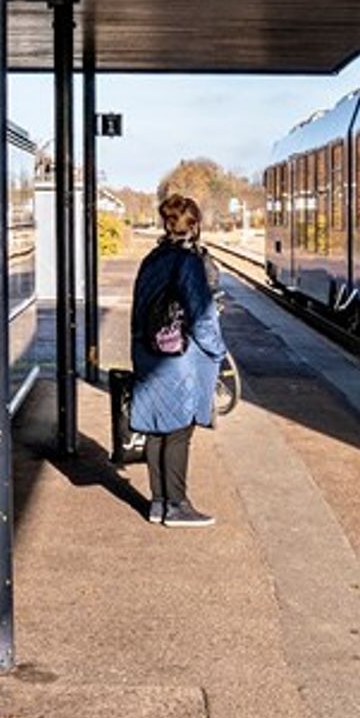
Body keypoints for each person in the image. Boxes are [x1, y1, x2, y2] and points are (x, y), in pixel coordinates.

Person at [129, 193, 228, 527]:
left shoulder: (151, 259)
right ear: (194, 225)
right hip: (178, 357)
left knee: (156, 427)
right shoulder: (188, 262)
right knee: (179, 430)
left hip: (147, 351)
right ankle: (177, 505)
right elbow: (201, 316)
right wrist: (217, 351)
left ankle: (158, 503)